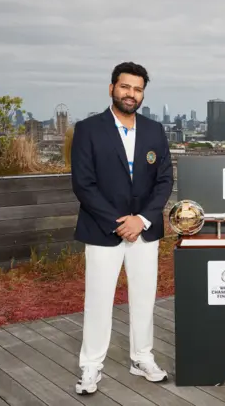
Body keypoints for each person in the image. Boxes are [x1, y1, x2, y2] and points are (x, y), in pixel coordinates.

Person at [71, 62, 174, 394]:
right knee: (98, 300)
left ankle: (141, 357)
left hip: (145, 230)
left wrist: (141, 220)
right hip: (103, 230)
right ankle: (90, 366)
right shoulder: (88, 129)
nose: (132, 94)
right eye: (126, 87)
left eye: (138, 89)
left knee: (144, 298)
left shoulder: (154, 130)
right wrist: (120, 223)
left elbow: (164, 181)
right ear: (112, 88)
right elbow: (83, 185)